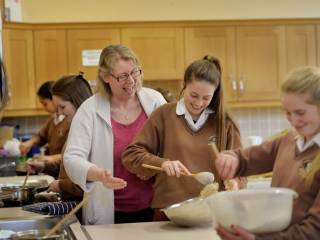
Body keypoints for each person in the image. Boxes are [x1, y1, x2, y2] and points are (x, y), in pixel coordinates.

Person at [122, 55, 242, 221]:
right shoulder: (163, 115)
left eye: (206, 98)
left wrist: (235, 182)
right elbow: (131, 155)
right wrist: (162, 163)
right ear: (183, 84)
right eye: (194, 95)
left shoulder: (225, 123)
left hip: (214, 215)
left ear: (215, 94)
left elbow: (242, 168)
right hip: (168, 214)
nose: (199, 103)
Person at [63, 44, 166, 225]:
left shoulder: (155, 101)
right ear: (105, 77)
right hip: (108, 213)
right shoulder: (89, 110)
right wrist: (98, 174)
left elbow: (170, 146)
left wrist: (153, 165)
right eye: (123, 76)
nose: (131, 81)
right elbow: (72, 158)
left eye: (135, 72)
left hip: (154, 208)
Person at [215, 66, 320, 240]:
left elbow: (315, 231)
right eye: (287, 113)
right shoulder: (288, 140)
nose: (293, 121)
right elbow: (248, 158)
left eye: (300, 113)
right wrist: (232, 158)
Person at [28, 74, 93, 204]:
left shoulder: (90, 133)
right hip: (71, 203)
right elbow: (68, 165)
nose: (59, 112)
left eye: (62, 107)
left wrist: (61, 185)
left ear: (77, 101)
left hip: (83, 207)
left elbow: (90, 181)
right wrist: (43, 166)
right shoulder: (76, 126)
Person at [20, 80, 70, 178]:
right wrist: (29, 143)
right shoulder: (53, 119)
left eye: (45, 103)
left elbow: (71, 155)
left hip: (66, 172)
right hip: (54, 171)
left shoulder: (70, 121)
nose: (44, 107)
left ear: (55, 100)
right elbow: (41, 136)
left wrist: (48, 158)